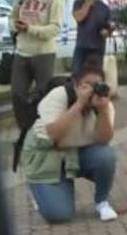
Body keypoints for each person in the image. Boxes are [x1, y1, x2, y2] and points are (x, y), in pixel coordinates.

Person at [21, 58, 118, 223]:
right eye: (88, 85)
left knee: (106, 155)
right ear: (75, 83)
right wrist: (79, 104)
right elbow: (54, 135)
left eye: (98, 85)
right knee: (60, 215)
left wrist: (102, 111)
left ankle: (102, 202)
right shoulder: (59, 96)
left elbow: (103, 140)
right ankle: (40, 191)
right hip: (47, 157)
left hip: (76, 154)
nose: (93, 90)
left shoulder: (103, 104)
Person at [10, 0, 62, 130]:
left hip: (43, 54)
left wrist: (30, 29)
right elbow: (12, 17)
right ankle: (24, 129)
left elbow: (55, 28)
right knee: (17, 94)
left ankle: (42, 129)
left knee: (44, 94)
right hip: (21, 52)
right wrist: (15, 26)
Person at [71, 0, 112, 74]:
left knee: (95, 75)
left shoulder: (104, 8)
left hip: (97, 47)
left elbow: (108, 26)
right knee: (77, 74)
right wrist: (88, 3)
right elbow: (78, 18)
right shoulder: (78, 3)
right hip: (81, 45)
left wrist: (106, 32)